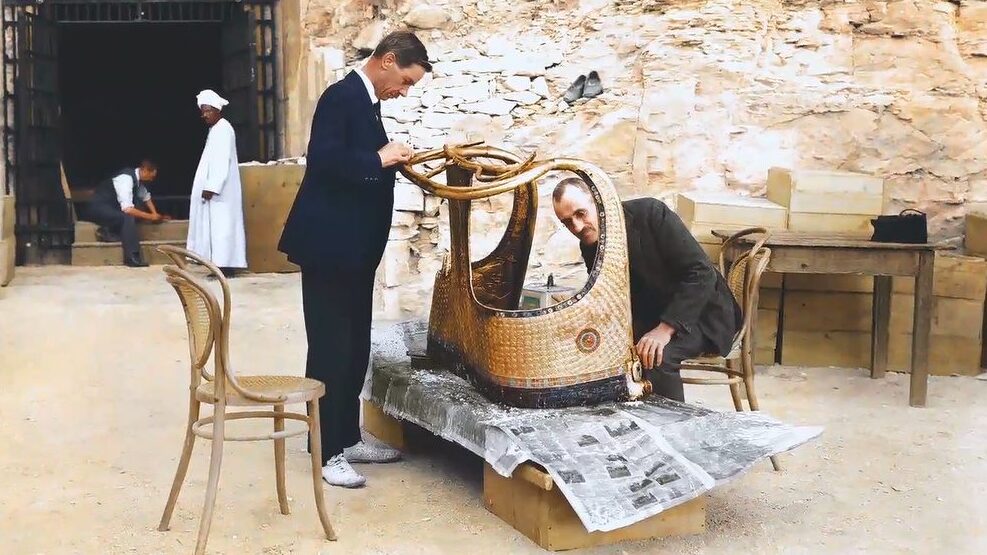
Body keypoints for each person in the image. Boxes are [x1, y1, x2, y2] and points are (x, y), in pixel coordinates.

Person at [278, 31, 431, 488]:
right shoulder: (341, 96)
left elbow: (357, 161)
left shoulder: (367, 102)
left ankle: (346, 436)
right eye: (405, 81)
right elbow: (324, 161)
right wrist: (379, 157)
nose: (404, 91)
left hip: (354, 251)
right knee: (330, 347)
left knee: (354, 345)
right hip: (329, 248)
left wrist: (392, 159)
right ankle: (326, 451)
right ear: (387, 61)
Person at [552, 178, 742, 402]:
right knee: (595, 351)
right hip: (652, 315)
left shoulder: (651, 213)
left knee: (656, 357)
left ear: (599, 201)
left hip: (703, 313)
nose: (577, 227)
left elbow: (701, 273)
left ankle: (672, 422)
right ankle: (627, 416)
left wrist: (664, 330)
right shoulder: (589, 243)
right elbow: (609, 296)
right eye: (567, 222)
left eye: (580, 214)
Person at [186, 89, 247, 278]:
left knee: (222, 229)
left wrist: (212, 187)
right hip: (217, 193)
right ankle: (219, 266)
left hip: (221, 193)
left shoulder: (223, 129)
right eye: (202, 111)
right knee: (217, 229)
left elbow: (221, 161)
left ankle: (225, 266)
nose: (204, 115)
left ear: (217, 110)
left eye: (207, 111)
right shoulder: (216, 129)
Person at [87, 159, 170, 268]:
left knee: (137, 213)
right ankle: (132, 257)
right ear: (145, 170)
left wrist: (155, 215)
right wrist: (151, 217)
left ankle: (107, 231)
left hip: (111, 209)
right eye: (151, 176)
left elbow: (146, 197)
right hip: (98, 208)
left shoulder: (138, 181)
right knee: (128, 217)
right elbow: (128, 209)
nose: (151, 179)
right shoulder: (126, 179)